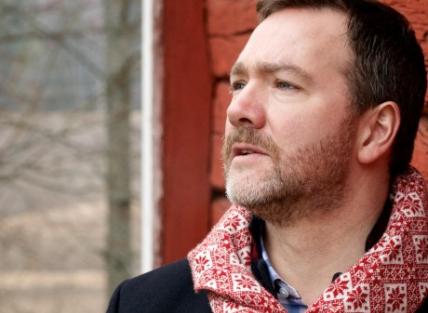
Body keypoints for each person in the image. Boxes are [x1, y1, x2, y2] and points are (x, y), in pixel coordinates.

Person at [107, 0, 428, 312]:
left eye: (284, 85)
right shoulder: (144, 304)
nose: (237, 110)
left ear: (375, 131)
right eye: (239, 84)